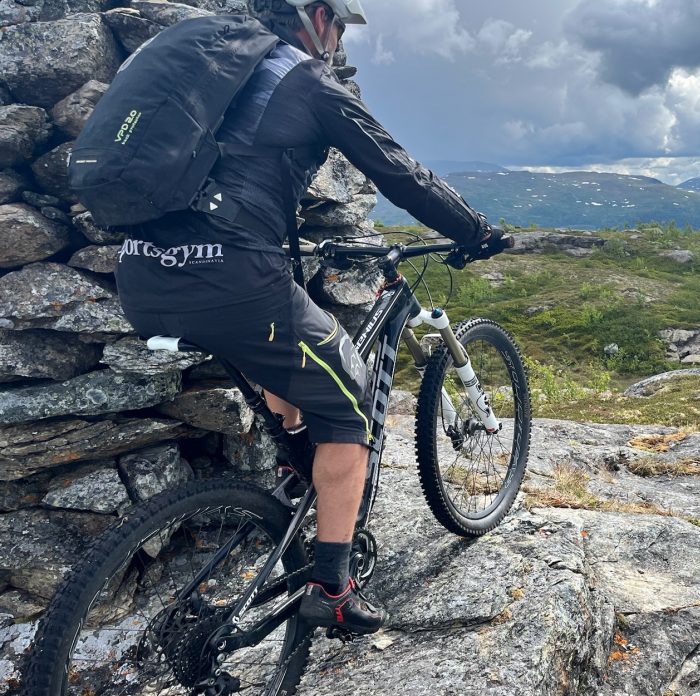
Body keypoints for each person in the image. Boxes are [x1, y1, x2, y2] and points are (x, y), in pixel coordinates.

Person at [114, 0, 503, 635]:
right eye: (341, 25)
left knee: (282, 357)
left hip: (145, 278)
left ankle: (300, 470)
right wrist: (475, 230)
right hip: (234, 281)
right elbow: (399, 170)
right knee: (349, 411)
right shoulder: (305, 79)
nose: (339, 39)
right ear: (316, 15)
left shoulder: (209, 75)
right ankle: (335, 590)